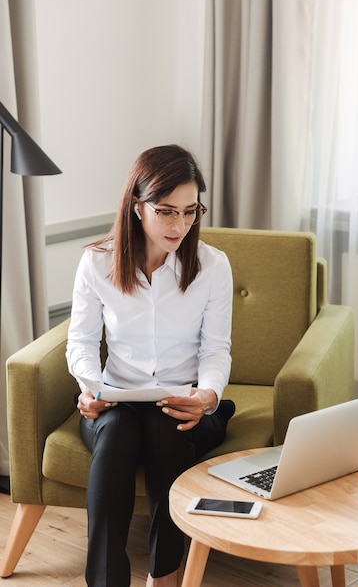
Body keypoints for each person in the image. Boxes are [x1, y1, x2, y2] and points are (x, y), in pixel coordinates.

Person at [66, 144, 235, 587]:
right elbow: (81, 341)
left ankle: (165, 578)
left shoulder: (212, 267)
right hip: (116, 401)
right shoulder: (98, 262)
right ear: (137, 206)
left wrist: (208, 395)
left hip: (181, 401)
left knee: (165, 429)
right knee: (120, 430)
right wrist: (89, 386)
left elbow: (216, 348)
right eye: (166, 211)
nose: (180, 224)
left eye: (190, 210)